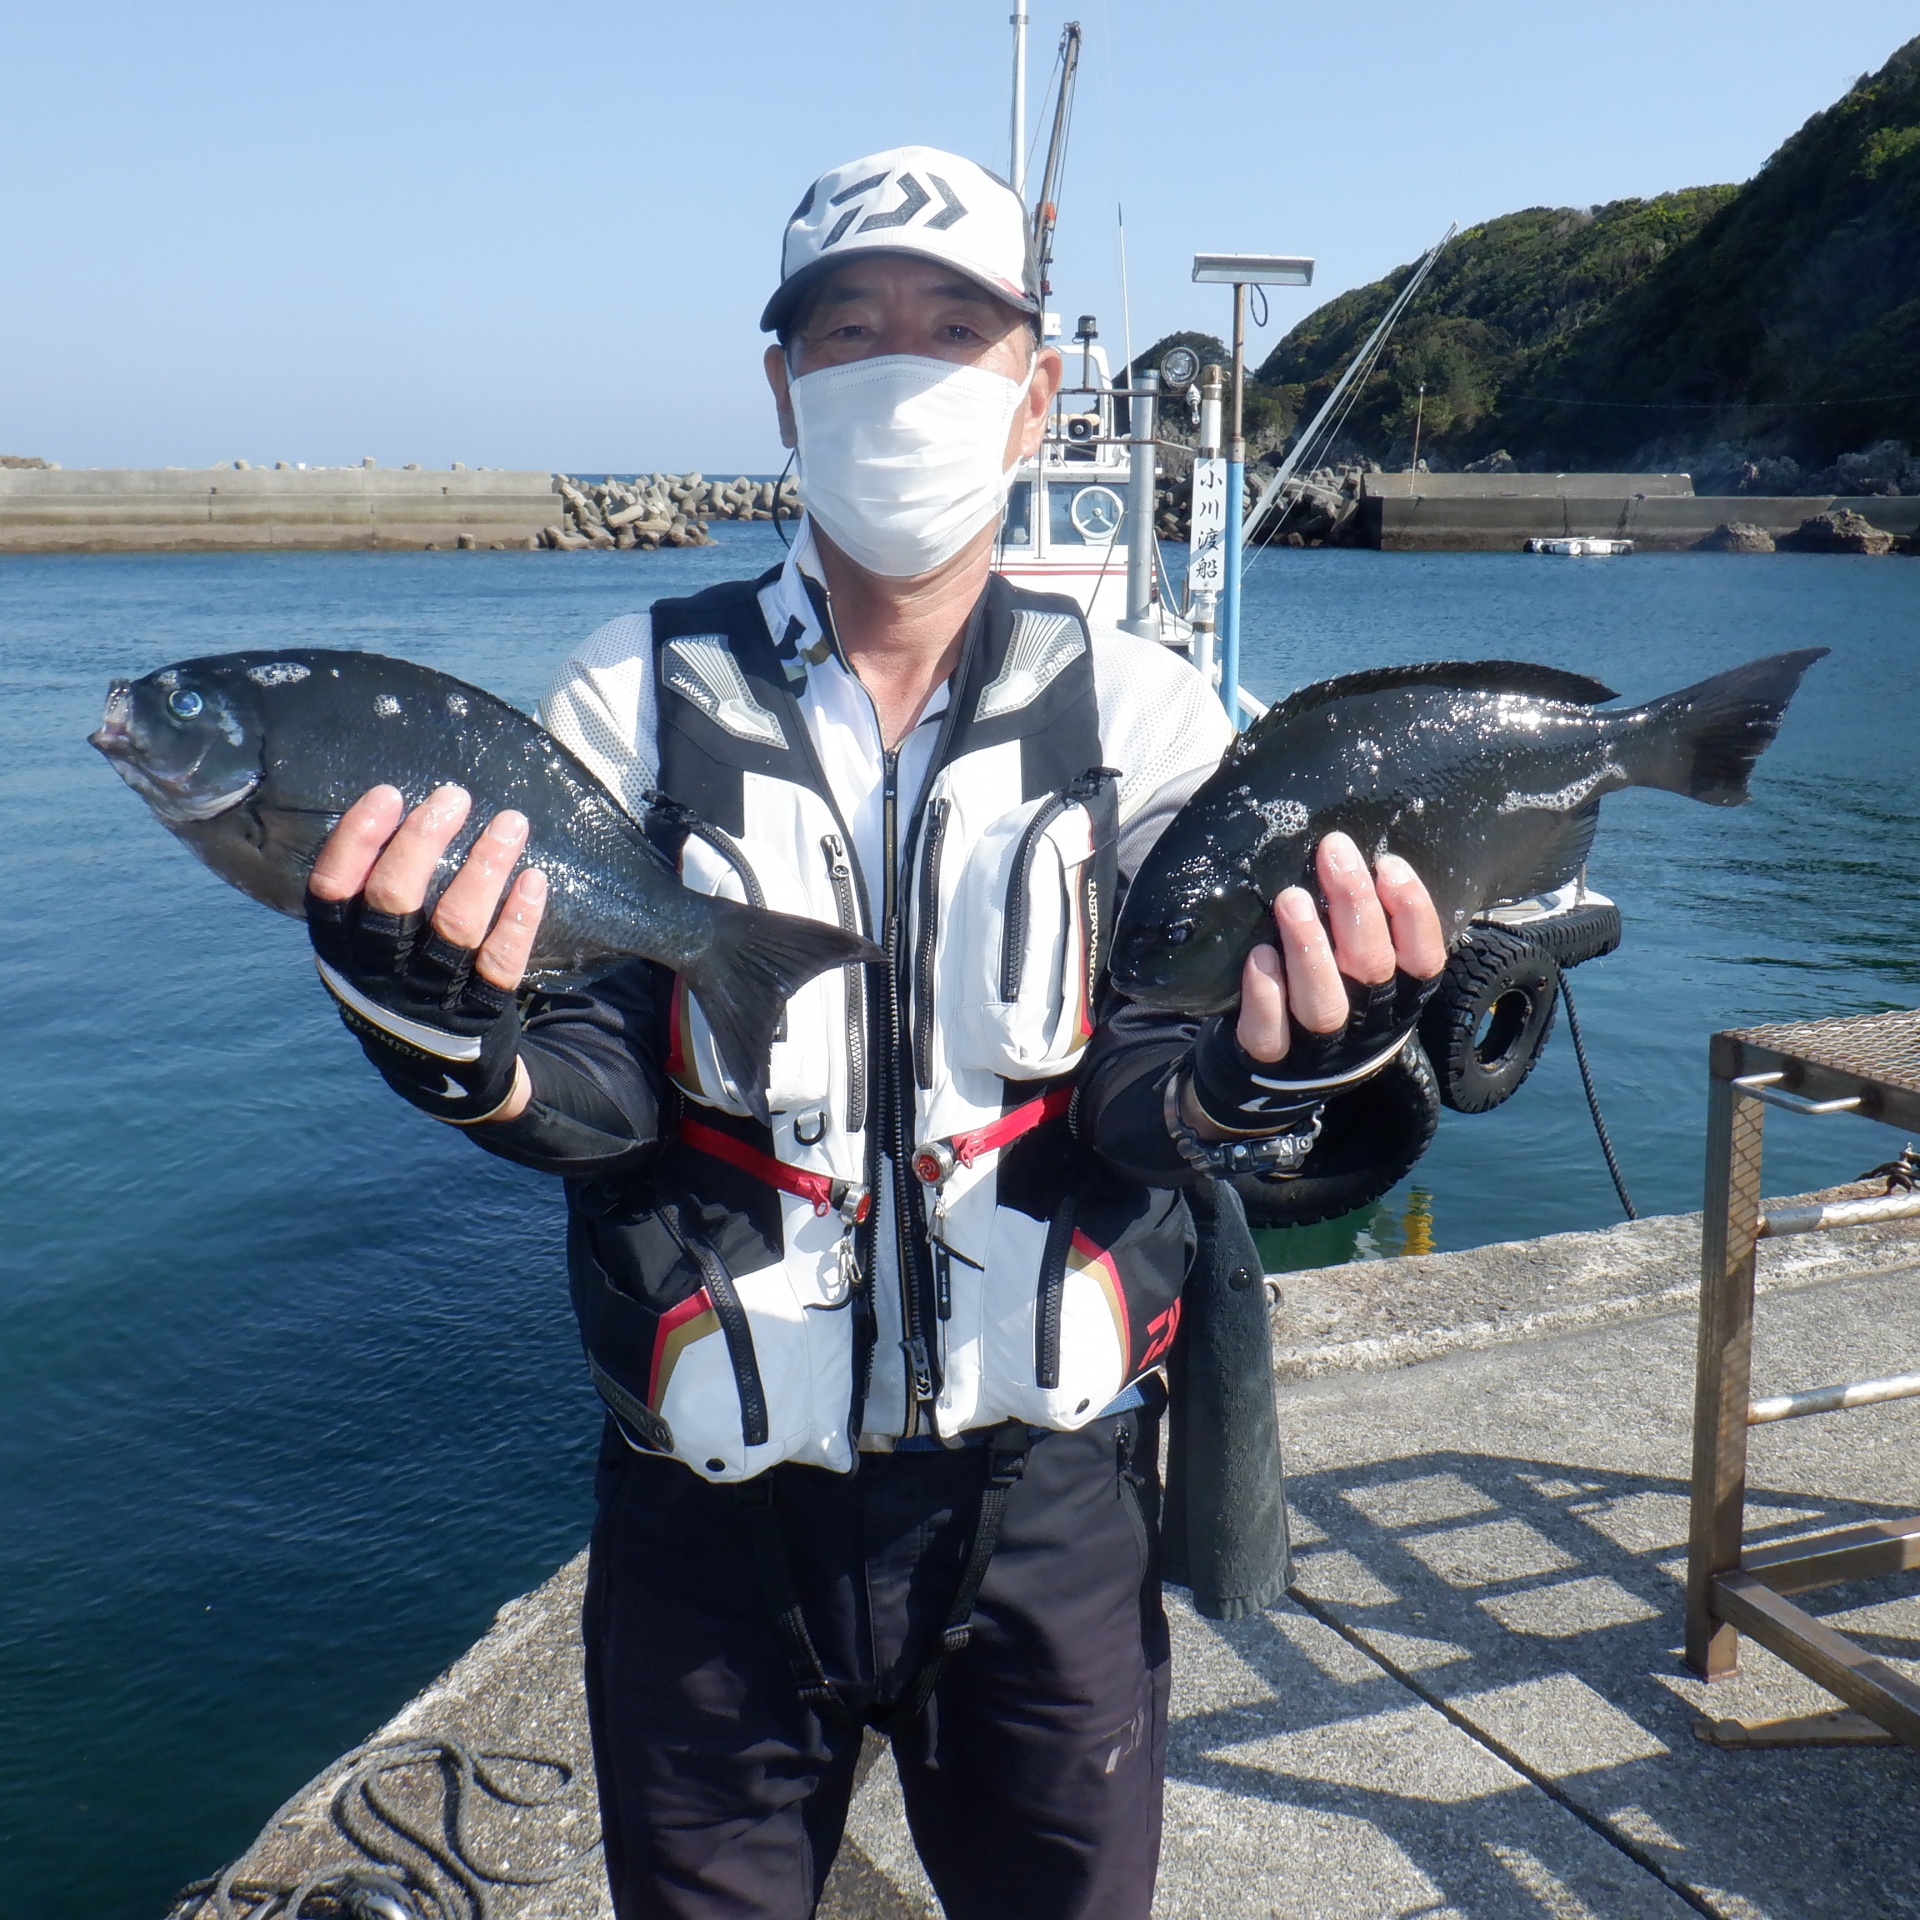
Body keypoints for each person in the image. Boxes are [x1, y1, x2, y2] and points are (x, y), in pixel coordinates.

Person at [302, 146, 1445, 1920]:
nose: (900, 370)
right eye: (849, 332)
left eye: (953, 330)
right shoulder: (626, 694)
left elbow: (1143, 1100)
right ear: (783, 385)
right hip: (707, 1527)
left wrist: (1279, 1060)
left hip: (1051, 1512)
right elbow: (598, 1096)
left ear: (1034, 391)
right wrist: (445, 1034)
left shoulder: (1145, 715)